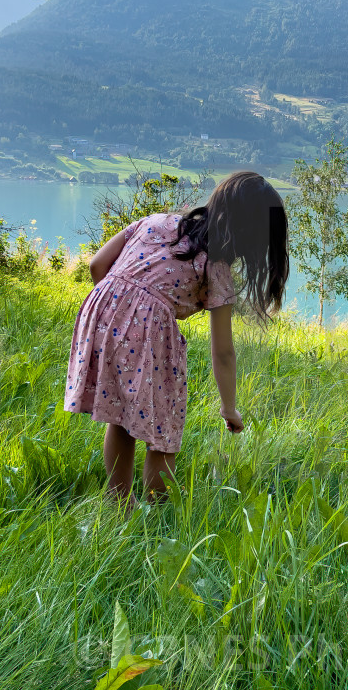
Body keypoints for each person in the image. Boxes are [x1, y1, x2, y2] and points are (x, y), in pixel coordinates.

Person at [64, 171, 288, 510]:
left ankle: (119, 504)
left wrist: (118, 312)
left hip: (101, 313)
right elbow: (223, 351)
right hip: (147, 331)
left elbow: (98, 265)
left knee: (121, 416)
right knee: (164, 424)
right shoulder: (216, 265)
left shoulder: (154, 221)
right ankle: (158, 512)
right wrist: (229, 407)